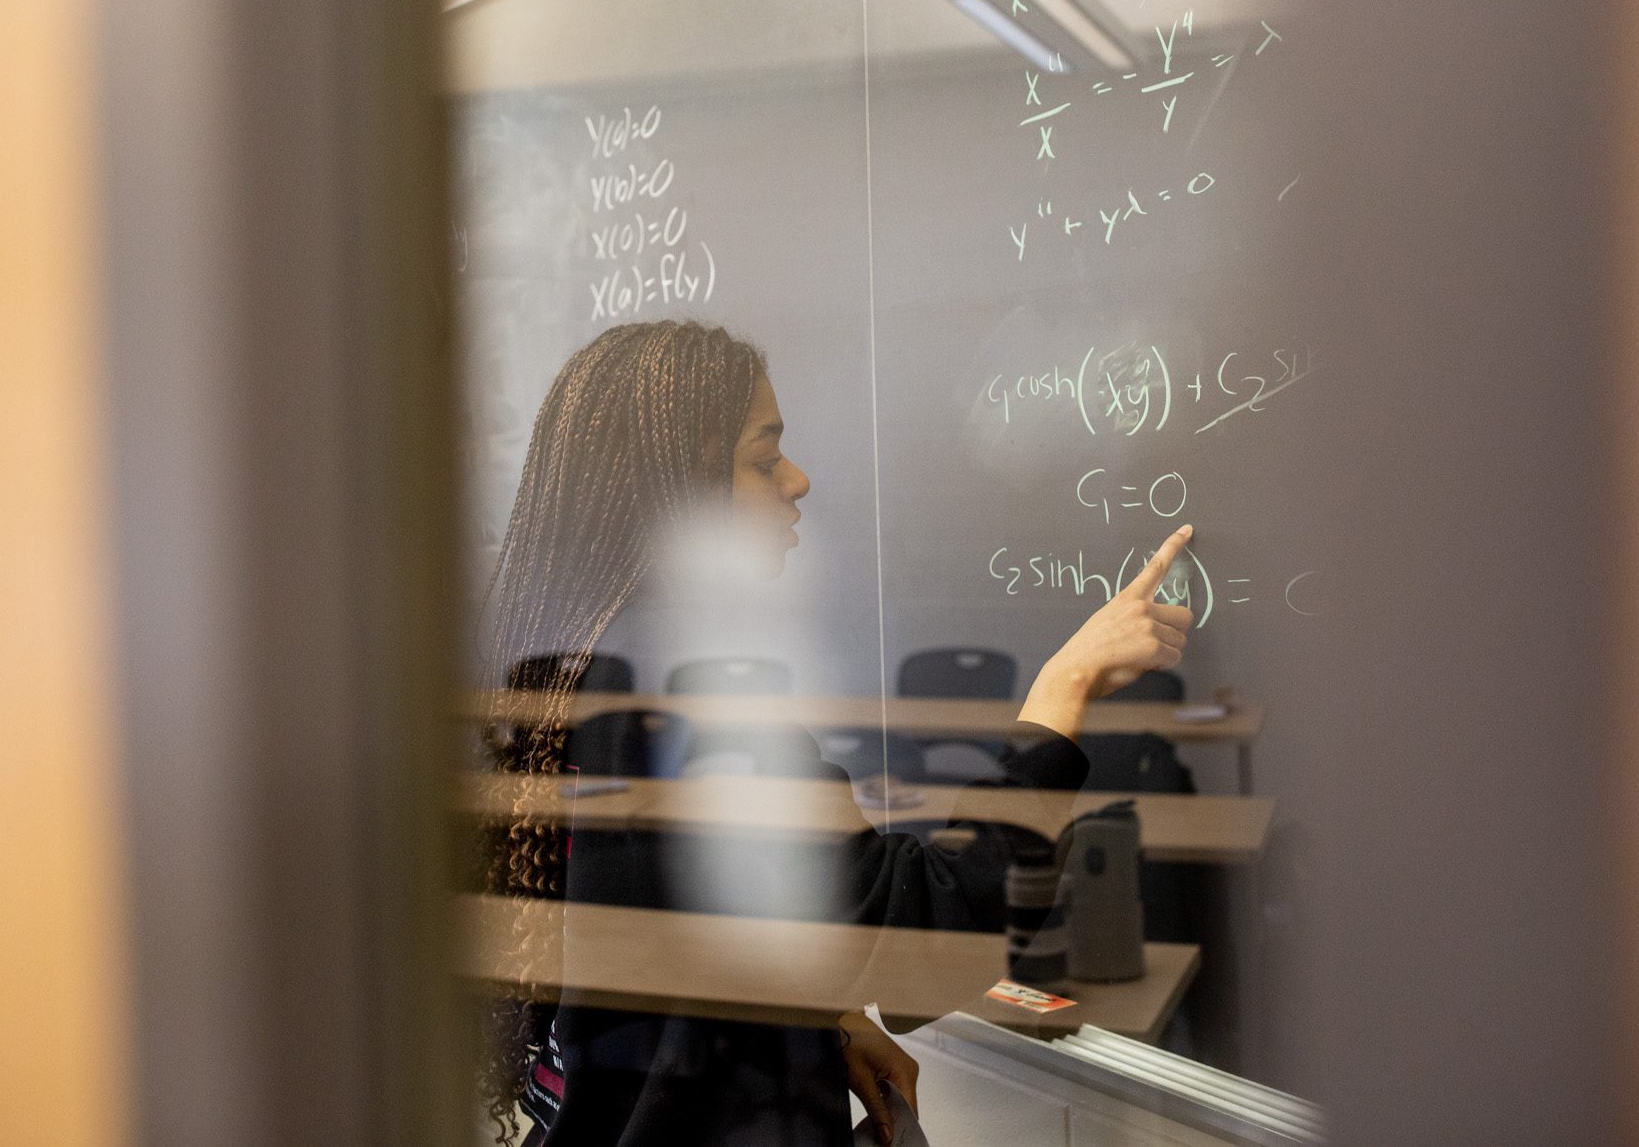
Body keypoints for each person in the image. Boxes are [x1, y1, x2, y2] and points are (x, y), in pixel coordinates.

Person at [477, 320, 1193, 1146]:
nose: (799, 480)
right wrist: (1066, 687)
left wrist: (820, 1021)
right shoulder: (686, 691)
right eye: (762, 459)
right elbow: (924, 930)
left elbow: (688, 928)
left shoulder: (581, 662)